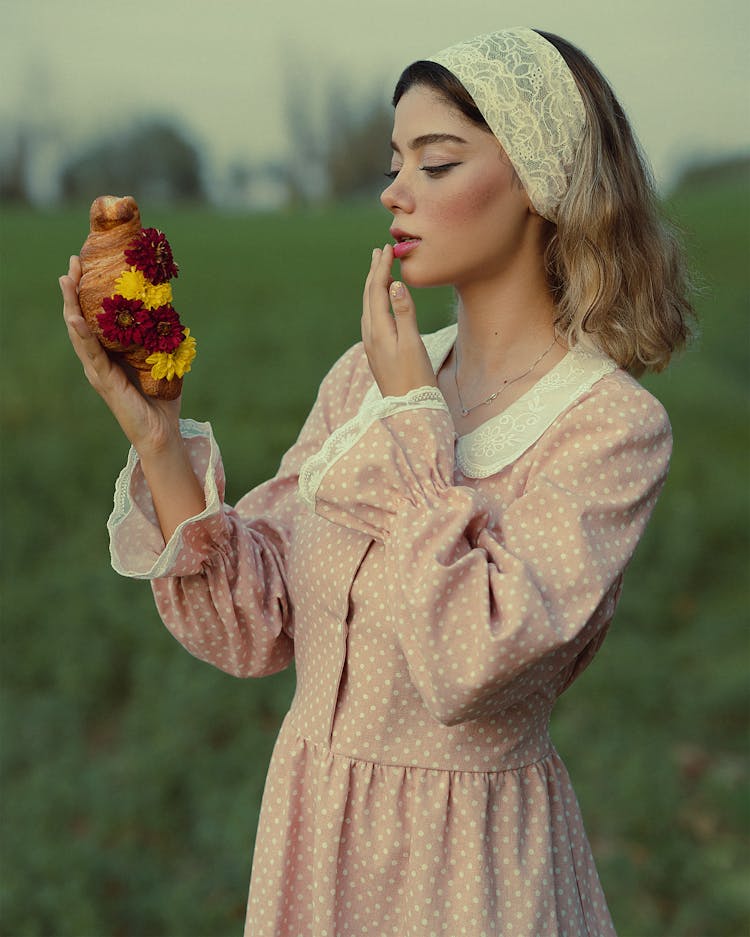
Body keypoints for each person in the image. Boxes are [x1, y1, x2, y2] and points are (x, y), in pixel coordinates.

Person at [60, 26, 693, 937]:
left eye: (435, 163)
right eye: (397, 161)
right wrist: (158, 439)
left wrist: (413, 423)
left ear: (542, 182)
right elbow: (255, 623)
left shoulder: (611, 429)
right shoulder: (366, 378)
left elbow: (467, 664)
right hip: (314, 848)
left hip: (469, 873)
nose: (393, 190)